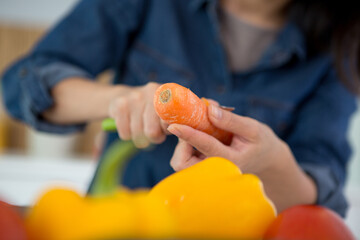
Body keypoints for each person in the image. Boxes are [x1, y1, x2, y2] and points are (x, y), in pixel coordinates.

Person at [1, 0, 359, 216]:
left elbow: (322, 190)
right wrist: (118, 101)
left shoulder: (341, 47)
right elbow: (22, 82)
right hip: (115, 223)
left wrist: (274, 164)